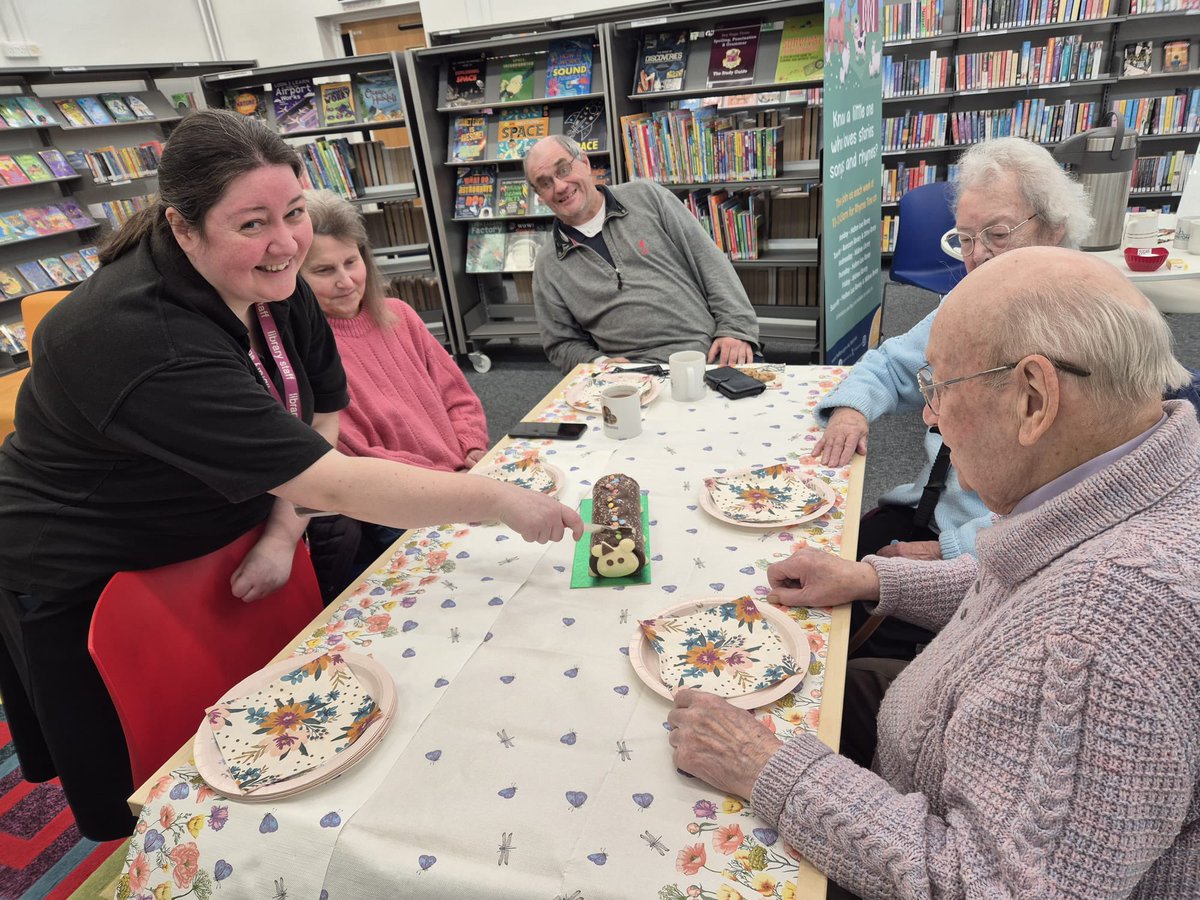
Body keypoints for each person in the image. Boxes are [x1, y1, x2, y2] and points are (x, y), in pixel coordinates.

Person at [0, 110, 582, 841]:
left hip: (223, 528)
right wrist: (496, 498)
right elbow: (330, 479)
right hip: (98, 569)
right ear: (184, 228)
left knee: (275, 737)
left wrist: (281, 530)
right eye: (252, 224)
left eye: (296, 213)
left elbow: (322, 406)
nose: (285, 243)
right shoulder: (136, 336)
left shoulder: (276, 275)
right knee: (157, 798)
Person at [668, 246, 1199, 899]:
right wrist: (873, 581)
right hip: (933, 743)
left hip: (936, 831)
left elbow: (992, 886)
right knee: (765, 679)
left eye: (938, 387)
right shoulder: (1133, 475)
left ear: (1035, 397)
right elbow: (1020, 595)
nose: (928, 415)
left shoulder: (1102, 634)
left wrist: (768, 769)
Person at [300, 190, 490, 600]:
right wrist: (451, 483)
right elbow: (360, 455)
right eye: (323, 270)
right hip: (402, 506)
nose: (345, 281)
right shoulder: (309, 354)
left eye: (351, 262)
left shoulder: (399, 315)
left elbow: (458, 396)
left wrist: (472, 448)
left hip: (460, 478)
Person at [526, 134, 760, 373]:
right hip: (634, 375)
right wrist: (599, 363)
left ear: (585, 163)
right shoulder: (548, 264)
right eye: (545, 183)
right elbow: (560, 344)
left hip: (710, 351)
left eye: (564, 169)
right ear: (539, 195)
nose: (560, 187)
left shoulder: (647, 197)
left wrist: (734, 329)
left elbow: (710, 262)